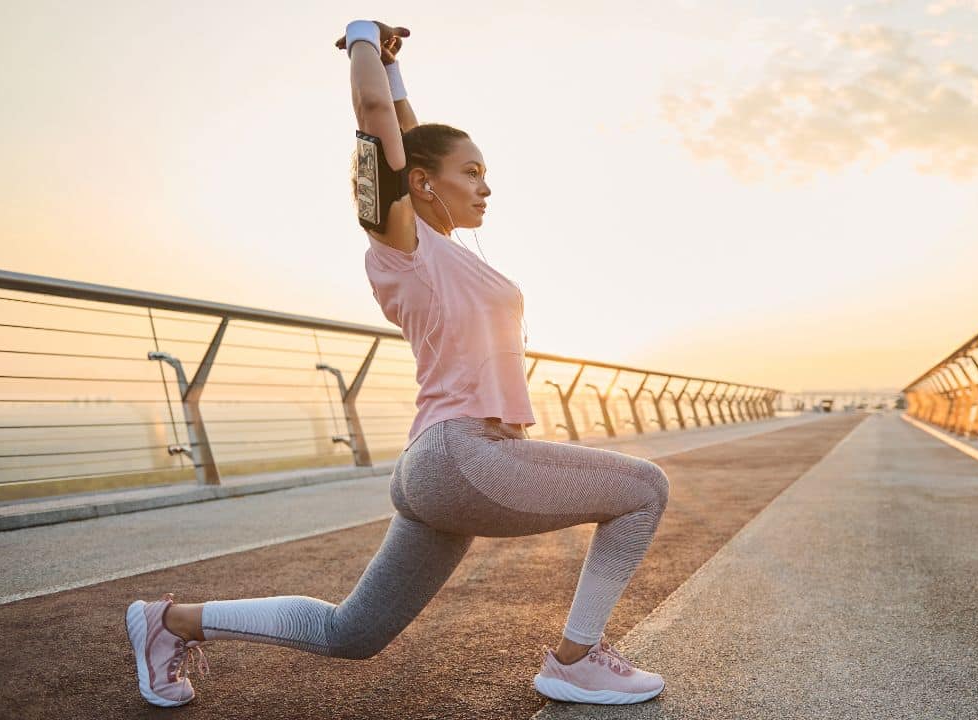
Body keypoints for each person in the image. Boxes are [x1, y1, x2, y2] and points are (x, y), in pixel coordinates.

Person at [124, 19, 670, 708]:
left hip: (436, 466)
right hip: (462, 453)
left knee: (351, 631)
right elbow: (377, 119)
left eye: (486, 173)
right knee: (644, 489)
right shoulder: (400, 245)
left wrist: (394, 66)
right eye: (471, 173)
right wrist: (359, 38)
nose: (486, 187)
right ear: (421, 183)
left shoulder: (442, 247)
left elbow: (404, 128)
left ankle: (166, 621)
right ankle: (575, 659)